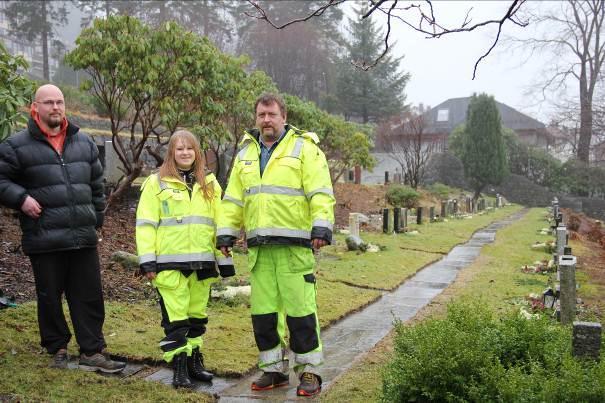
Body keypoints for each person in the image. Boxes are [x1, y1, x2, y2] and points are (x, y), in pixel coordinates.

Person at [0, 84, 125, 373]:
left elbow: (96, 187)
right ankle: (57, 348)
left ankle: (92, 351)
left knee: (89, 295)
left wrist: (97, 222)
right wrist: (22, 199)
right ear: (35, 108)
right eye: (48, 103)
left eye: (59, 102)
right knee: (49, 296)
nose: (55, 107)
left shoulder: (84, 142)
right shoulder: (15, 146)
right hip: (44, 235)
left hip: (83, 236)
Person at [217, 93, 335, 397]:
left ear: (283, 116)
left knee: (301, 313)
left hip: (294, 248)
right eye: (261, 115)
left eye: (271, 114)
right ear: (255, 118)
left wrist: (322, 225)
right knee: (263, 315)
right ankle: (273, 370)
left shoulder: (304, 149)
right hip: (259, 250)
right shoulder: (245, 154)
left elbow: (321, 191)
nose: (266, 120)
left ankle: (309, 372)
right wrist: (226, 233)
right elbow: (233, 199)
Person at [136, 130, 235, 388]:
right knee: (176, 320)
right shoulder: (156, 183)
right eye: (179, 148)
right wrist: (147, 261)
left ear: (197, 152)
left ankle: (193, 362)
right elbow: (145, 225)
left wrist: (224, 260)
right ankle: (178, 367)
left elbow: (220, 223)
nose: (185, 153)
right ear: (171, 152)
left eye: (189, 148)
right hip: (169, 265)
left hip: (202, 264)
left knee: (196, 318)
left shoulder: (210, 184)